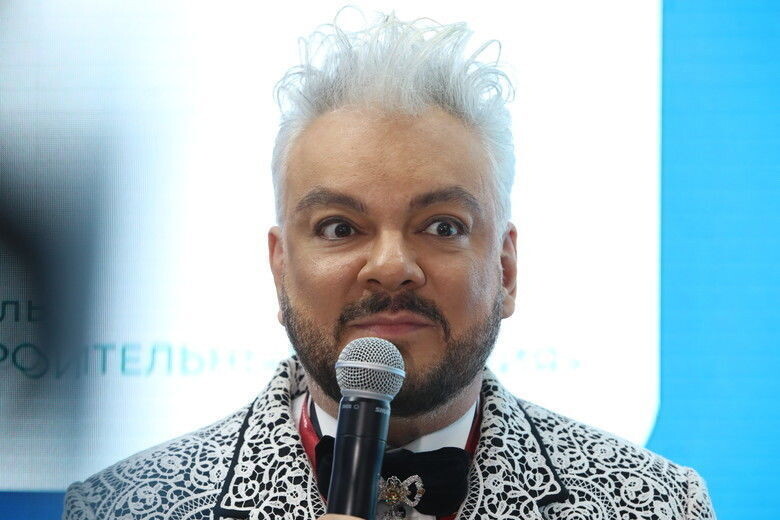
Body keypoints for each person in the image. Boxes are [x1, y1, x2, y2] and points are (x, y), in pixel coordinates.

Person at [63, 10, 716, 520]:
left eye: (442, 226)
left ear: (507, 269)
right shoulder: (117, 508)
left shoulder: (660, 506)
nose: (392, 266)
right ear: (280, 269)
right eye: (340, 227)